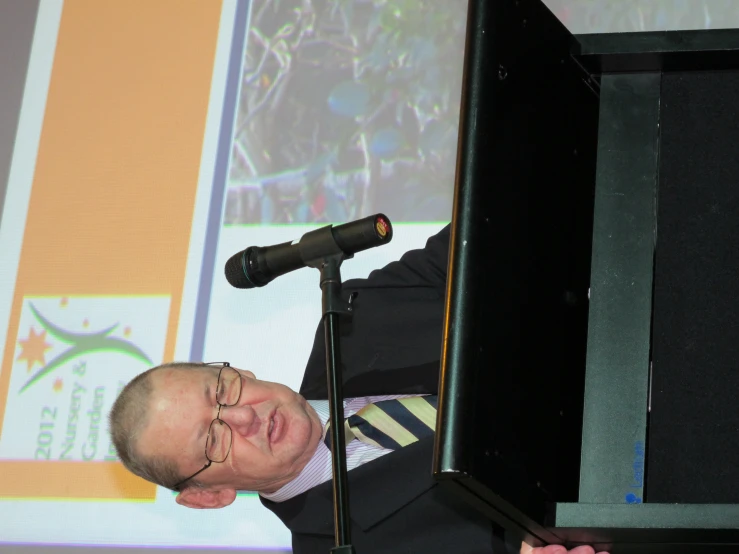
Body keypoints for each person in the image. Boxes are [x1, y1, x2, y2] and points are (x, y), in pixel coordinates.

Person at [109, 224, 608, 554]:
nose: (243, 417)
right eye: (213, 440)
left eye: (222, 390)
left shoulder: (359, 316)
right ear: (209, 497)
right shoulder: (342, 547)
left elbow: (501, 222)